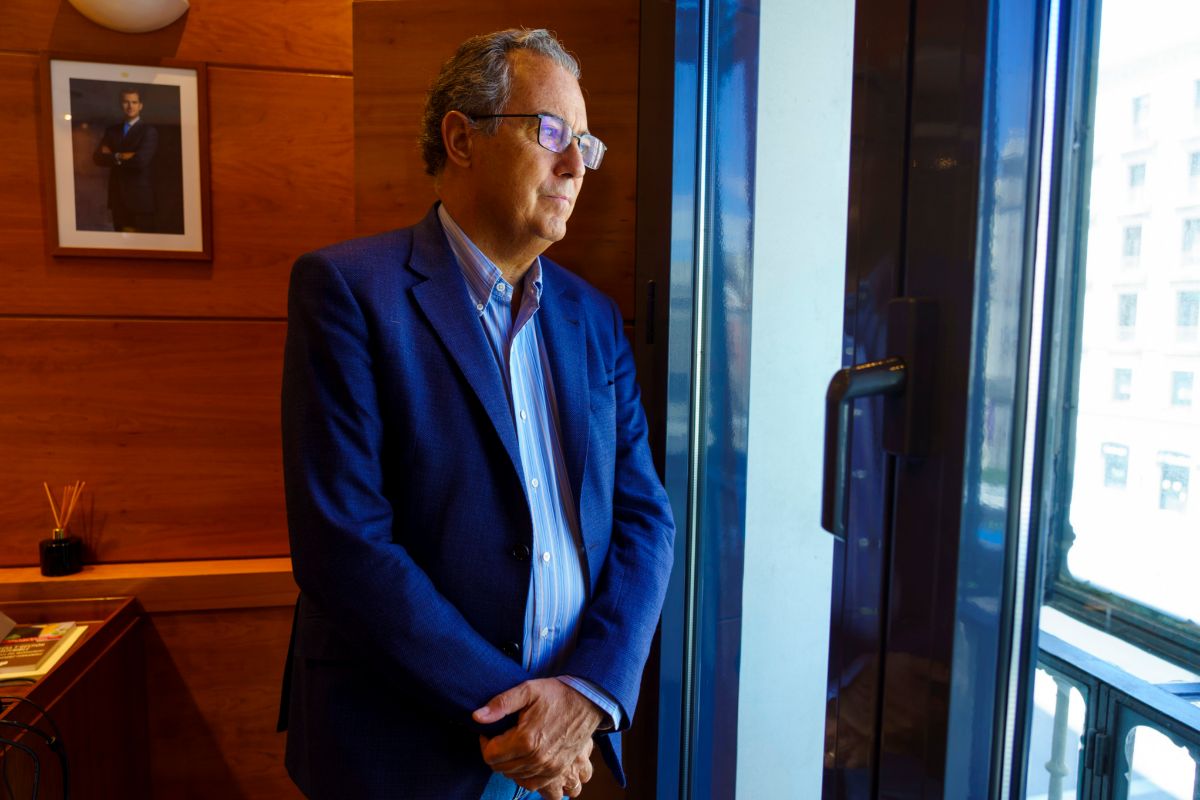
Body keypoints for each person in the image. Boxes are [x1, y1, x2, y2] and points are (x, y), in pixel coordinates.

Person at [278, 28, 675, 800]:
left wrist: (587, 693)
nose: (575, 166)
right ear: (462, 138)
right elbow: (344, 545)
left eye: (585, 144)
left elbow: (645, 519)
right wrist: (524, 718)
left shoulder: (594, 318)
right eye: (551, 132)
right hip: (409, 750)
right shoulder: (349, 291)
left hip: (562, 737)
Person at [92, 87, 158, 232]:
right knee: (120, 241)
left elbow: (140, 161)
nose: (130, 106)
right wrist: (121, 155)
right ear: (121, 105)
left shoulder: (148, 131)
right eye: (126, 102)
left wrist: (112, 156)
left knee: (140, 242)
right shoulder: (112, 131)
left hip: (139, 200)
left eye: (134, 102)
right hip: (117, 198)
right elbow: (97, 158)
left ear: (140, 105)